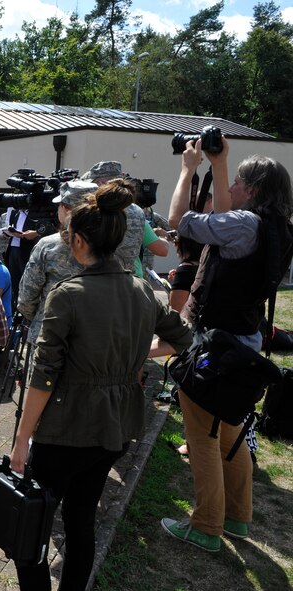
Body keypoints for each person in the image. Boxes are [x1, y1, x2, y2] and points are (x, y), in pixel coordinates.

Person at [9, 179, 192, 590]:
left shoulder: (67, 294)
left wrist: (22, 440)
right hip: (116, 428)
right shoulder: (143, 290)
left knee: (32, 522)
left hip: (64, 427)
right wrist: (139, 355)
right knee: (81, 520)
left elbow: (43, 374)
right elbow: (184, 338)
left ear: (76, 241)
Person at [161, 137, 293, 551]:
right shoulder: (279, 229)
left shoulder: (242, 225)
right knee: (230, 430)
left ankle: (206, 526)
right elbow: (227, 214)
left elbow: (179, 219)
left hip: (215, 345)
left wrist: (188, 168)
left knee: (201, 435)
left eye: (236, 182)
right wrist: (220, 166)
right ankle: (238, 518)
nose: (231, 189)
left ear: (252, 189)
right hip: (244, 341)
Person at [17, 180, 95, 345]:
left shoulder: (48, 245)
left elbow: (27, 296)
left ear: (66, 209)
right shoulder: (112, 242)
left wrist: (38, 317)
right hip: (93, 337)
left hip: (49, 334)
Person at [81, 161, 147, 274]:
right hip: (128, 279)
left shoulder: (97, 208)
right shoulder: (138, 210)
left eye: (93, 184)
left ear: (100, 183)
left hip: (99, 277)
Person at [0, 204, 41, 309]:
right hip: (12, 250)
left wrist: (35, 233)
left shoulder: (35, 212)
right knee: (14, 283)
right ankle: (15, 309)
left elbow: (43, 229)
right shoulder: (15, 213)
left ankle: (25, 311)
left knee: (25, 283)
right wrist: (10, 233)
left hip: (26, 251)